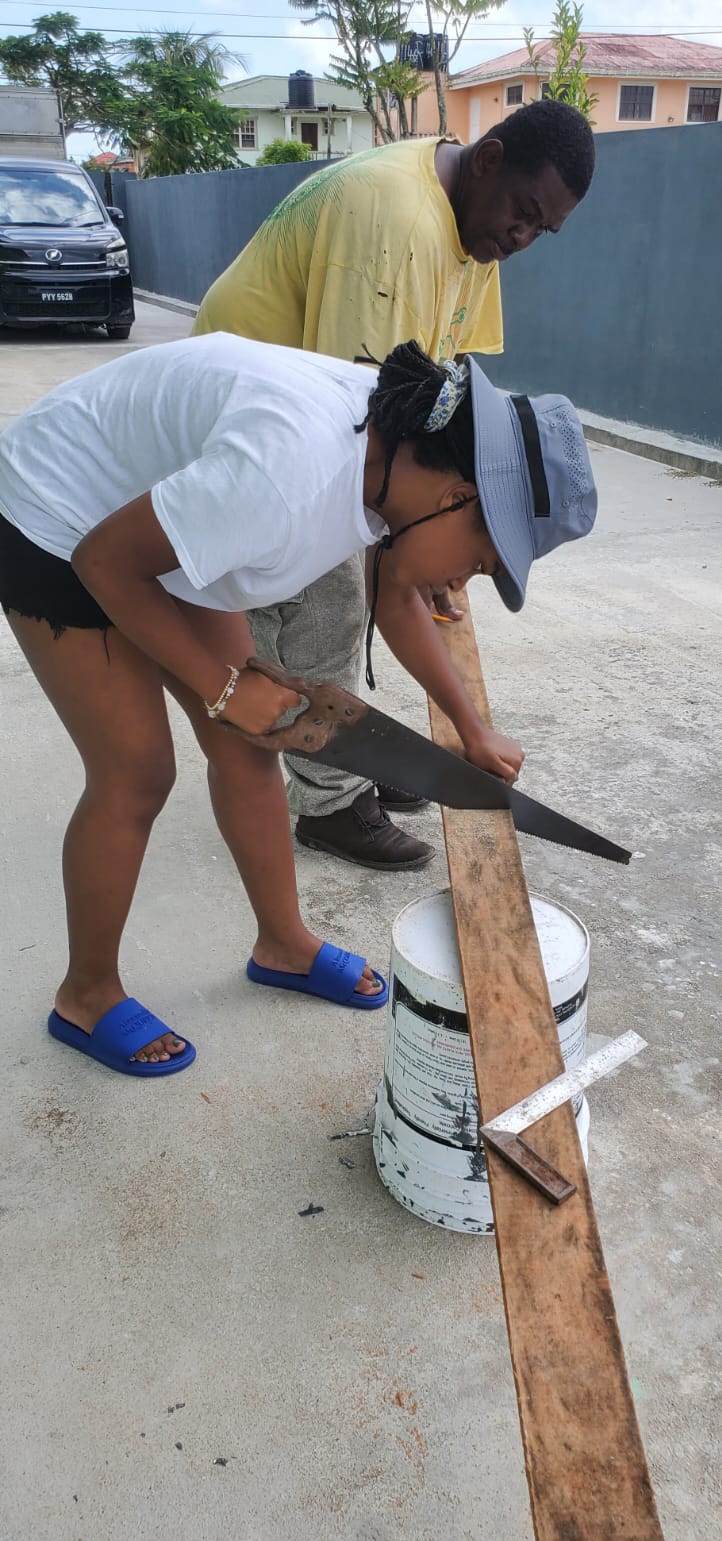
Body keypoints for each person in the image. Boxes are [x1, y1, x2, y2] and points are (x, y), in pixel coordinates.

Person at [0, 333, 597, 1078]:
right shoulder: (290, 475)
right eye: (478, 562)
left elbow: (397, 590)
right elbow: (106, 562)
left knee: (253, 740)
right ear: (457, 497)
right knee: (136, 773)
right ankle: (86, 994)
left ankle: (282, 943)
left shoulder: (400, 459)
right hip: (61, 516)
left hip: (157, 511)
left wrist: (470, 730)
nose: (463, 583)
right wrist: (223, 688)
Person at [193, 98, 596, 870]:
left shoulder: (472, 232)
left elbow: (446, 380)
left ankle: (355, 761)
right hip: (255, 430)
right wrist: (411, 557)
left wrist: (442, 547)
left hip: (324, 422)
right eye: (521, 213)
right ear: (487, 158)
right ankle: (329, 803)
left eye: (539, 231)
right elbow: (369, 458)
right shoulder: (394, 223)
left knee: (364, 586)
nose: (520, 237)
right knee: (329, 603)